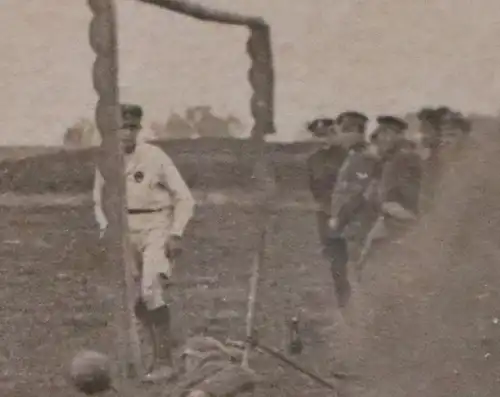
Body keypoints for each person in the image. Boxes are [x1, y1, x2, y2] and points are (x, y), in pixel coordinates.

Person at [93, 103, 196, 382]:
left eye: (132, 128)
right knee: (133, 294)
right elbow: (98, 199)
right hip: (124, 229)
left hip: (155, 225)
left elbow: (184, 197)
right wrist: (106, 228)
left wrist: (176, 233)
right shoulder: (106, 159)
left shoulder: (154, 156)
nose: (126, 134)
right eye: (121, 128)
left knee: (151, 288)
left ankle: (164, 362)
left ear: (138, 129)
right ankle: (141, 358)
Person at [306, 111, 369, 307]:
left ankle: (361, 305)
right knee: (336, 263)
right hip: (326, 214)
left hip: (349, 215)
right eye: (319, 135)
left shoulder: (347, 155)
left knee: (358, 261)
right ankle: (345, 305)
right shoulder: (313, 160)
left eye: (327, 133)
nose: (323, 139)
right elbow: (314, 187)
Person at [355, 116, 422, 277]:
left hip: (402, 216)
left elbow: (412, 191)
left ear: (392, 135)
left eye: (384, 134)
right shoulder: (392, 158)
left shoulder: (404, 157)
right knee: (367, 257)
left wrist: (401, 211)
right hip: (390, 215)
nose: (379, 141)